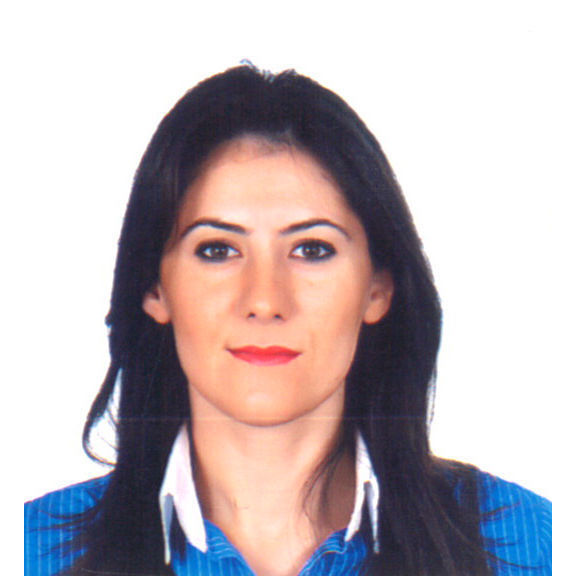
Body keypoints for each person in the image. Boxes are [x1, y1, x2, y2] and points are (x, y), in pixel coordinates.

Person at [24, 65, 551, 576]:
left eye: (312, 249)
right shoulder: (31, 549)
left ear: (378, 288)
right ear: (154, 288)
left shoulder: (531, 543)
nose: (264, 300)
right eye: (216, 250)